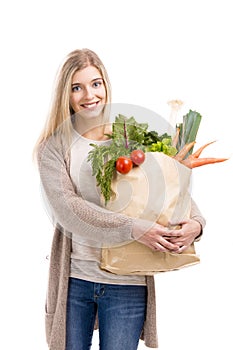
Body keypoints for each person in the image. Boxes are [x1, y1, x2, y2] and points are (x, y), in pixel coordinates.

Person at [34, 48, 206, 350]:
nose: (89, 95)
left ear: (106, 85)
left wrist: (197, 224)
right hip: (76, 280)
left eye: (96, 83)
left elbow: (169, 188)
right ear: (66, 94)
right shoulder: (54, 147)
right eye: (77, 87)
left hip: (127, 283)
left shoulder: (130, 138)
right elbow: (68, 209)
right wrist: (133, 227)